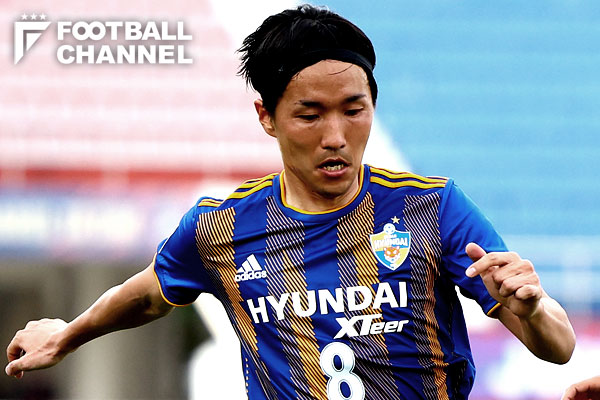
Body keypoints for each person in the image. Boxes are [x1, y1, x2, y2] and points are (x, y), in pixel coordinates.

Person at [5, 4, 575, 400]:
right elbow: (150, 294)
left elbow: (558, 347)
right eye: (310, 115)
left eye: (354, 110)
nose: (336, 136)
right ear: (267, 116)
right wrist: (68, 334)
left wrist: (530, 310)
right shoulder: (220, 228)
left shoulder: (432, 207)